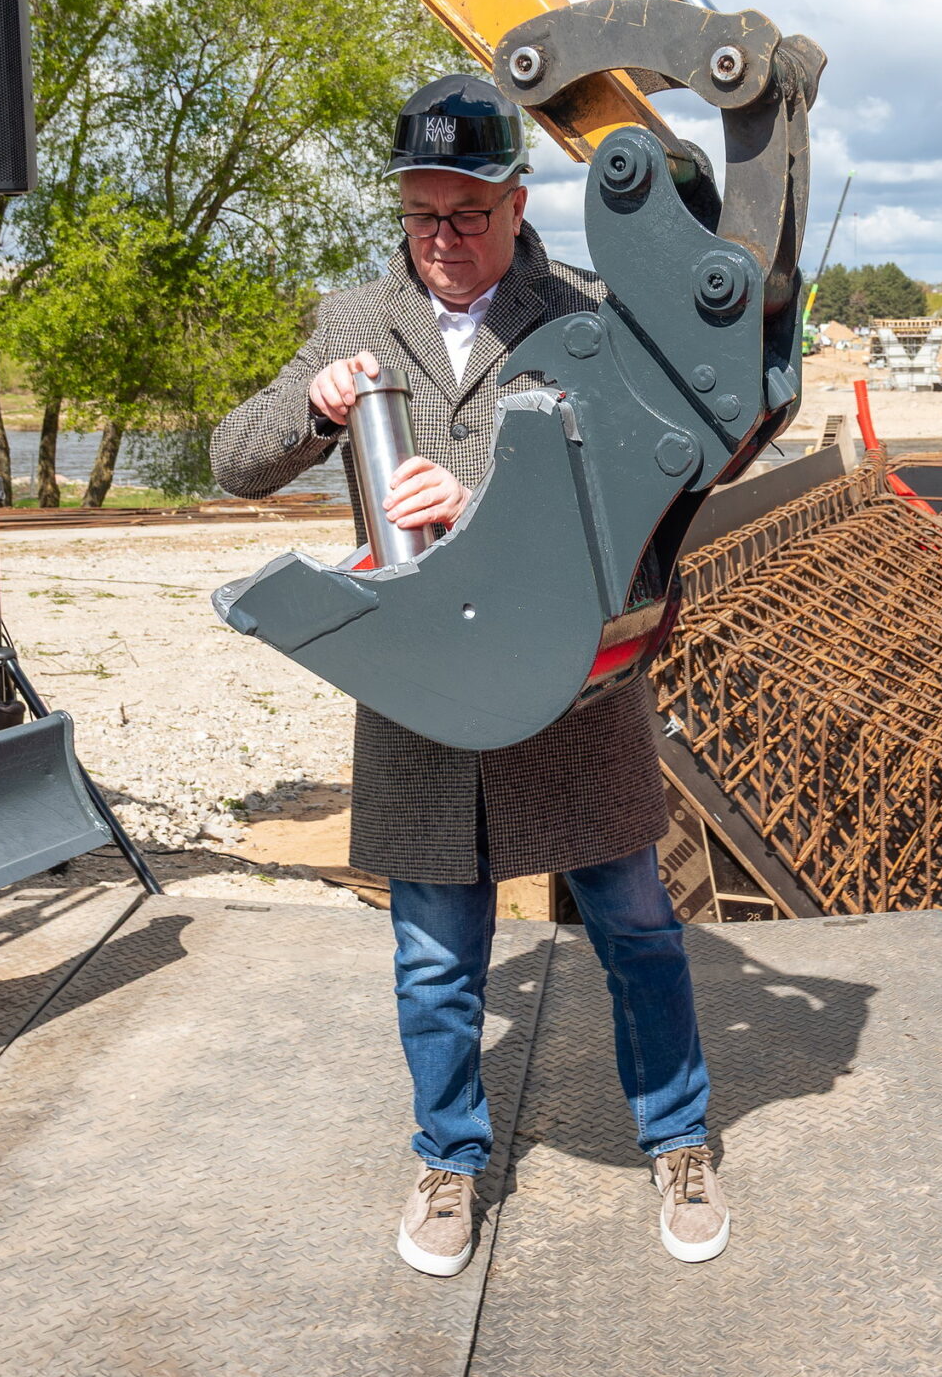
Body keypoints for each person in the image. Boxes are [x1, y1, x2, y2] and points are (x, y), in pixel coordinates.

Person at [210, 75, 728, 1275]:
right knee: (436, 958)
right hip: (424, 694)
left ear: (516, 200)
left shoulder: (590, 315)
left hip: (570, 689)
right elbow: (234, 459)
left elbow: (649, 500)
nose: (441, 239)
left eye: (466, 215)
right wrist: (314, 407)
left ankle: (678, 1138)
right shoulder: (353, 318)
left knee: (639, 929)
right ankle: (448, 1159)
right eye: (420, 215)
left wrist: (489, 500)